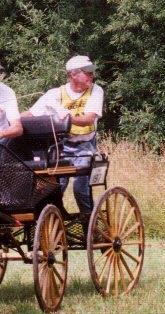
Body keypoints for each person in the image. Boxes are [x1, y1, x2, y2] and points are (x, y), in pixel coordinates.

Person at [21, 55, 104, 214]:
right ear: (73, 74)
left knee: (81, 191)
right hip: (61, 147)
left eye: (91, 72)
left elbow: (88, 119)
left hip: (85, 147)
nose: (91, 75)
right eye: (87, 72)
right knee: (54, 191)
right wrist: (10, 120)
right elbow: (31, 114)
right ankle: (58, 220)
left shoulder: (96, 90)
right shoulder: (55, 94)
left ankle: (89, 227)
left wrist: (64, 116)